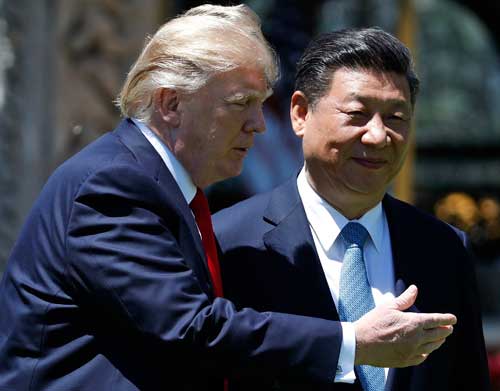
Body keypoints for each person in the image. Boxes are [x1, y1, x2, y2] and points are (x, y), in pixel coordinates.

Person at [214, 28, 490, 390]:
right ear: (299, 113)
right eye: (357, 113)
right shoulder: (229, 242)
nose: (378, 136)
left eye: (395, 118)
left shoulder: (444, 248)